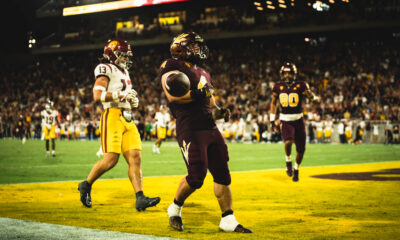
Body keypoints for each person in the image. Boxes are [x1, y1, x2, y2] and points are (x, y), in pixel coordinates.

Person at [160, 32, 252, 233]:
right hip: (190, 126)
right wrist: (196, 93)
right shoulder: (171, 65)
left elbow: (211, 103)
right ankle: (174, 209)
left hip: (209, 126)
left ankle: (228, 219)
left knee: (222, 173)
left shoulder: (203, 72)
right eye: (194, 46)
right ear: (182, 48)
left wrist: (220, 111)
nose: (198, 50)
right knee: (196, 176)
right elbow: (173, 96)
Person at [78, 38, 160, 211]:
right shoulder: (105, 68)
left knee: (135, 157)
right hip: (112, 115)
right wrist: (122, 96)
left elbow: (123, 95)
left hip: (127, 117)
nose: (125, 59)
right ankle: (86, 184)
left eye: (126, 56)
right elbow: (97, 95)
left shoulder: (124, 72)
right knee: (110, 160)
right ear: (112, 54)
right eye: (122, 55)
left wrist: (132, 102)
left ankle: (140, 197)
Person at [270, 62, 319, 182]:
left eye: (289, 73)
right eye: (285, 73)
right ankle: (288, 160)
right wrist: (272, 120)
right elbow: (273, 103)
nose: (287, 76)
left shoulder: (301, 85)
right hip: (285, 119)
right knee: (288, 141)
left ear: (294, 74)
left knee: (301, 150)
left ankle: (296, 168)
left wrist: (313, 98)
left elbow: (312, 98)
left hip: (298, 119)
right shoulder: (277, 86)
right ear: (282, 74)